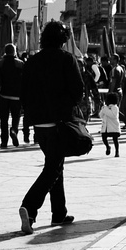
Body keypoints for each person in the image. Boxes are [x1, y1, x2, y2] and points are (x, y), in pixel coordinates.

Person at [18, 22, 85, 234]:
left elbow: (24, 93)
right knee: (53, 168)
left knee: (55, 164)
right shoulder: (67, 59)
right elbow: (78, 91)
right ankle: (29, 208)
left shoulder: (32, 61)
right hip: (60, 122)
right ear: (63, 40)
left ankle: (59, 213)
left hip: (39, 123)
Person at [0, 44, 24, 147]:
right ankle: (14, 130)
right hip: (16, 96)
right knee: (16, 116)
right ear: (14, 51)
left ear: (5, 51)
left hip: (3, 95)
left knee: (4, 119)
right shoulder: (20, 64)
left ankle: (4, 141)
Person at [99, 91, 122, 156]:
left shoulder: (115, 108)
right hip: (105, 127)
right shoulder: (105, 107)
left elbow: (112, 115)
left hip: (113, 127)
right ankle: (107, 146)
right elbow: (100, 115)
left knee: (115, 139)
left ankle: (117, 151)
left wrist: (105, 109)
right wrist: (102, 109)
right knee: (104, 137)